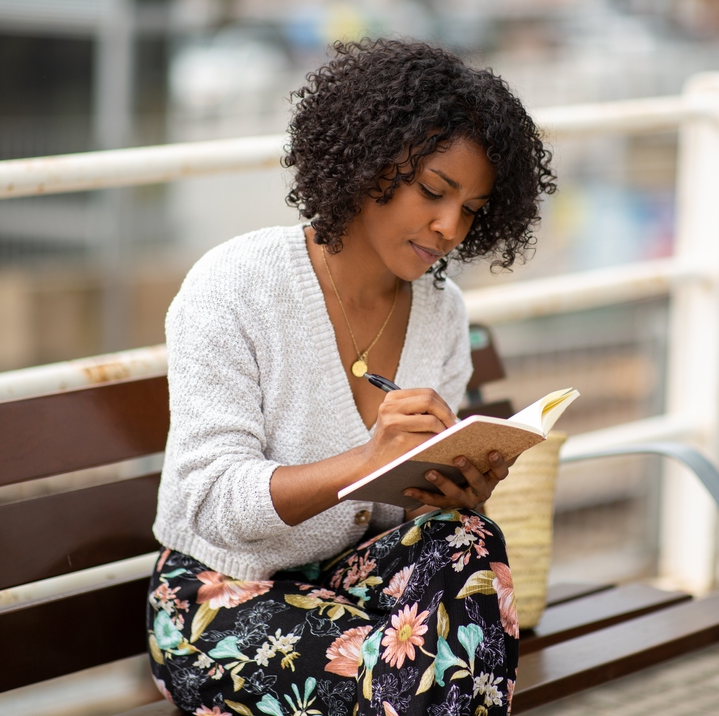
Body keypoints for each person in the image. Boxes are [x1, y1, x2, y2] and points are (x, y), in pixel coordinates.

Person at [148, 38, 556, 716]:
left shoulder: (440, 313)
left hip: (355, 584)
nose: (450, 226)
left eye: (474, 209)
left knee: (468, 540)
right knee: (417, 674)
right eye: (433, 191)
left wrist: (449, 491)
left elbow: (397, 521)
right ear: (369, 162)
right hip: (221, 596)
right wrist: (365, 460)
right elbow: (209, 499)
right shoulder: (235, 288)